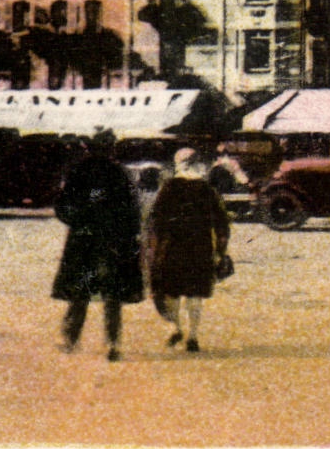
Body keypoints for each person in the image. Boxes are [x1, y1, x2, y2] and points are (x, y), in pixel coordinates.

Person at [51, 129, 145, 361]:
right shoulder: (119, 173)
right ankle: (112, 343)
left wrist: (78, 220)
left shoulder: (79, 171)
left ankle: (70, 338)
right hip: (113, 240)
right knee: (111, 293)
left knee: (80, 291)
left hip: (84, 239)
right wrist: (131, 238)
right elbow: (133, 210)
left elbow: (62, 205)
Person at [147, 148, 232, 353]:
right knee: (195, 294)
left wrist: (155, 250)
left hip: (174, 248)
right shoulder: (206, 189)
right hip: (200, 247)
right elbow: (221, 223)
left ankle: (176, 328)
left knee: (172, 292)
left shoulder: (169, 188)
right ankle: (193, 336)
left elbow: (156, 222)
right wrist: (220, 251)